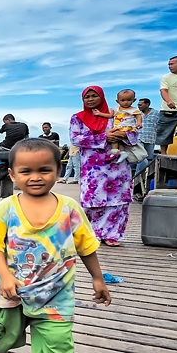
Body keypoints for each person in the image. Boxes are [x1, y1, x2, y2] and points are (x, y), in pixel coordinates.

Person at [0, 138, 111, 353]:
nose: (35, 177)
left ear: (57, 170)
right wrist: (5, 275)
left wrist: (98, 279)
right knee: (5, 331)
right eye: (26, 171)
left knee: (60, 343)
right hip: (15, 290)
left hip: (57, 294)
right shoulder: (7, 208)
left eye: (44, 170)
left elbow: (87, 246)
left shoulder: (70, 208)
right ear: (12, 175)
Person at [70, 86, 136, 247]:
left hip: (117, 165)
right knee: (92, 199)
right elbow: (75, 138)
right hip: (93, 168)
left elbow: (133, 134)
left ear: (102, 97)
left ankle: (112, 235)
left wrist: (123, 134)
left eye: (94, 96)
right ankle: (92, 233)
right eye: (87, 97)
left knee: (117, 201)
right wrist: (103, 136)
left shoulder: (115, 115)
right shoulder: (77, 118)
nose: (91, 99)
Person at [91, 88, 142, 159]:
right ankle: (121, 152)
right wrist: (99, 113)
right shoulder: (116, 109)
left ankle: (115, 152)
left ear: (134, 100)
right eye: (123, 100)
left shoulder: (133, 110)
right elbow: (110, 116)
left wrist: (139, 123)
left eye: (129, 100)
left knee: (114, 137)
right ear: (117, 101)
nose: (126, 102)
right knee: (115, 139)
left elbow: (138, 116)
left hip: (128, 128)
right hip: (118, 127)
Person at [136, 98, 159, 173]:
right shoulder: (137, 114)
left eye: (140, 104)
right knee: (141, 157)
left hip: (151, 138)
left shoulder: (156, 114)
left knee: (149, 158)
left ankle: (148, 175)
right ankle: (137, 175)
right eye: (138, 104)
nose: (139, 106)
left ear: (147, 104)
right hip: (139, 138)